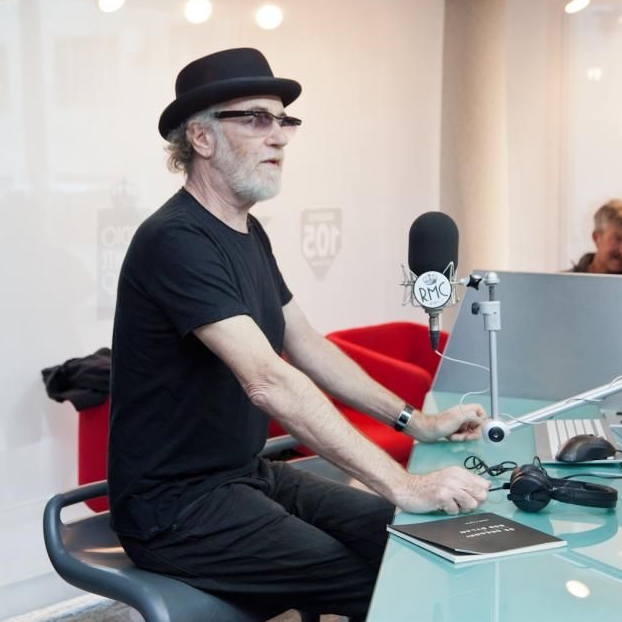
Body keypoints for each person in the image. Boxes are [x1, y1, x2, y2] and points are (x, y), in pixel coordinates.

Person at [108, 47, 490, 619]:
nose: (279, 137)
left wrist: (418, 422)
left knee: (416, 542)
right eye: (256, 119)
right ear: (202, 138)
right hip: (175, 508)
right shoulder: (175, 239)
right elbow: (269, 381)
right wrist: (404, 484)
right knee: (391, 581)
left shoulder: (247, 232)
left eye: (284, 120)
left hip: (247, 476)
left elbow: (306, 344)